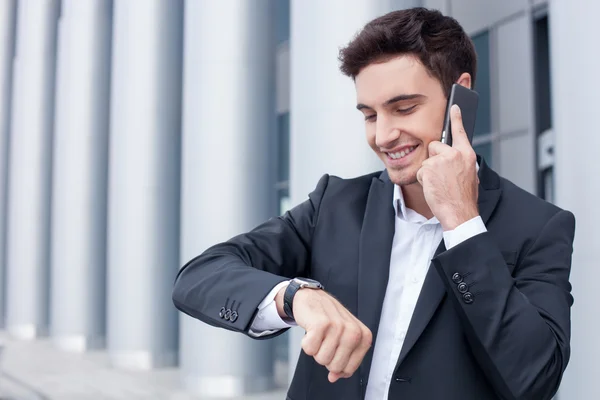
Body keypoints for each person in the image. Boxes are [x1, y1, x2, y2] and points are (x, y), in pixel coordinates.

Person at [172, 7, 575, 400]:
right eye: (369, 115)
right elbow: (200, 277)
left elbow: (535, 379)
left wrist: (462, 223)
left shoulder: (538, 226)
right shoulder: (334, 204)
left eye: (404, 108)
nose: (383, 136)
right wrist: (297, 297)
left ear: (460, 95)